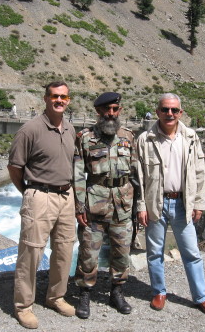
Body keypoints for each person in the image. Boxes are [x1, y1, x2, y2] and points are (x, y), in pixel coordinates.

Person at [136, 93, 205, 317]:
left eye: (174, 110)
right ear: (157, 111)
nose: (169, 114)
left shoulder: (191, 137)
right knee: (154, 252)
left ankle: (201, 297)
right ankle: (159, 292)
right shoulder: (145, 139)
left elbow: (199, 173)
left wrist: (199, 202)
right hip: (155, 203)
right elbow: (140, 177)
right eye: (165, 109)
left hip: (182, 203)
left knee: (192, 252)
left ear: (181, 113)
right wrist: (141, 205)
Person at [7, 81, 76, 329]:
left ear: (69, 100)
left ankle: (56, 297)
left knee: (64, 250)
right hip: (40, 195)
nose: (60, 100)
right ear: (46, 98)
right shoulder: (30, 129)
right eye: (55, 96)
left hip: (66, 196)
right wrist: (28, 192)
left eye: (64, 97)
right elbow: (14, 167)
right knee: (31, 253)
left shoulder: (70, 128)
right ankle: (23, 306)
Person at [74, 92, 137, 319]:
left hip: (122, 204)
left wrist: (139, 207)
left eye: (115, 109)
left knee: (122, 252)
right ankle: (84, 293)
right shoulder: (85, 138)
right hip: (94, 204)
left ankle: (116, 292)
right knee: (88, 253)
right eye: (107, 109)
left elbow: (136, 174)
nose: (111, 113)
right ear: (98, 111)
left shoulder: (128, 137)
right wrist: (79, 206)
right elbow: (78, 174)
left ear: (119, 110)